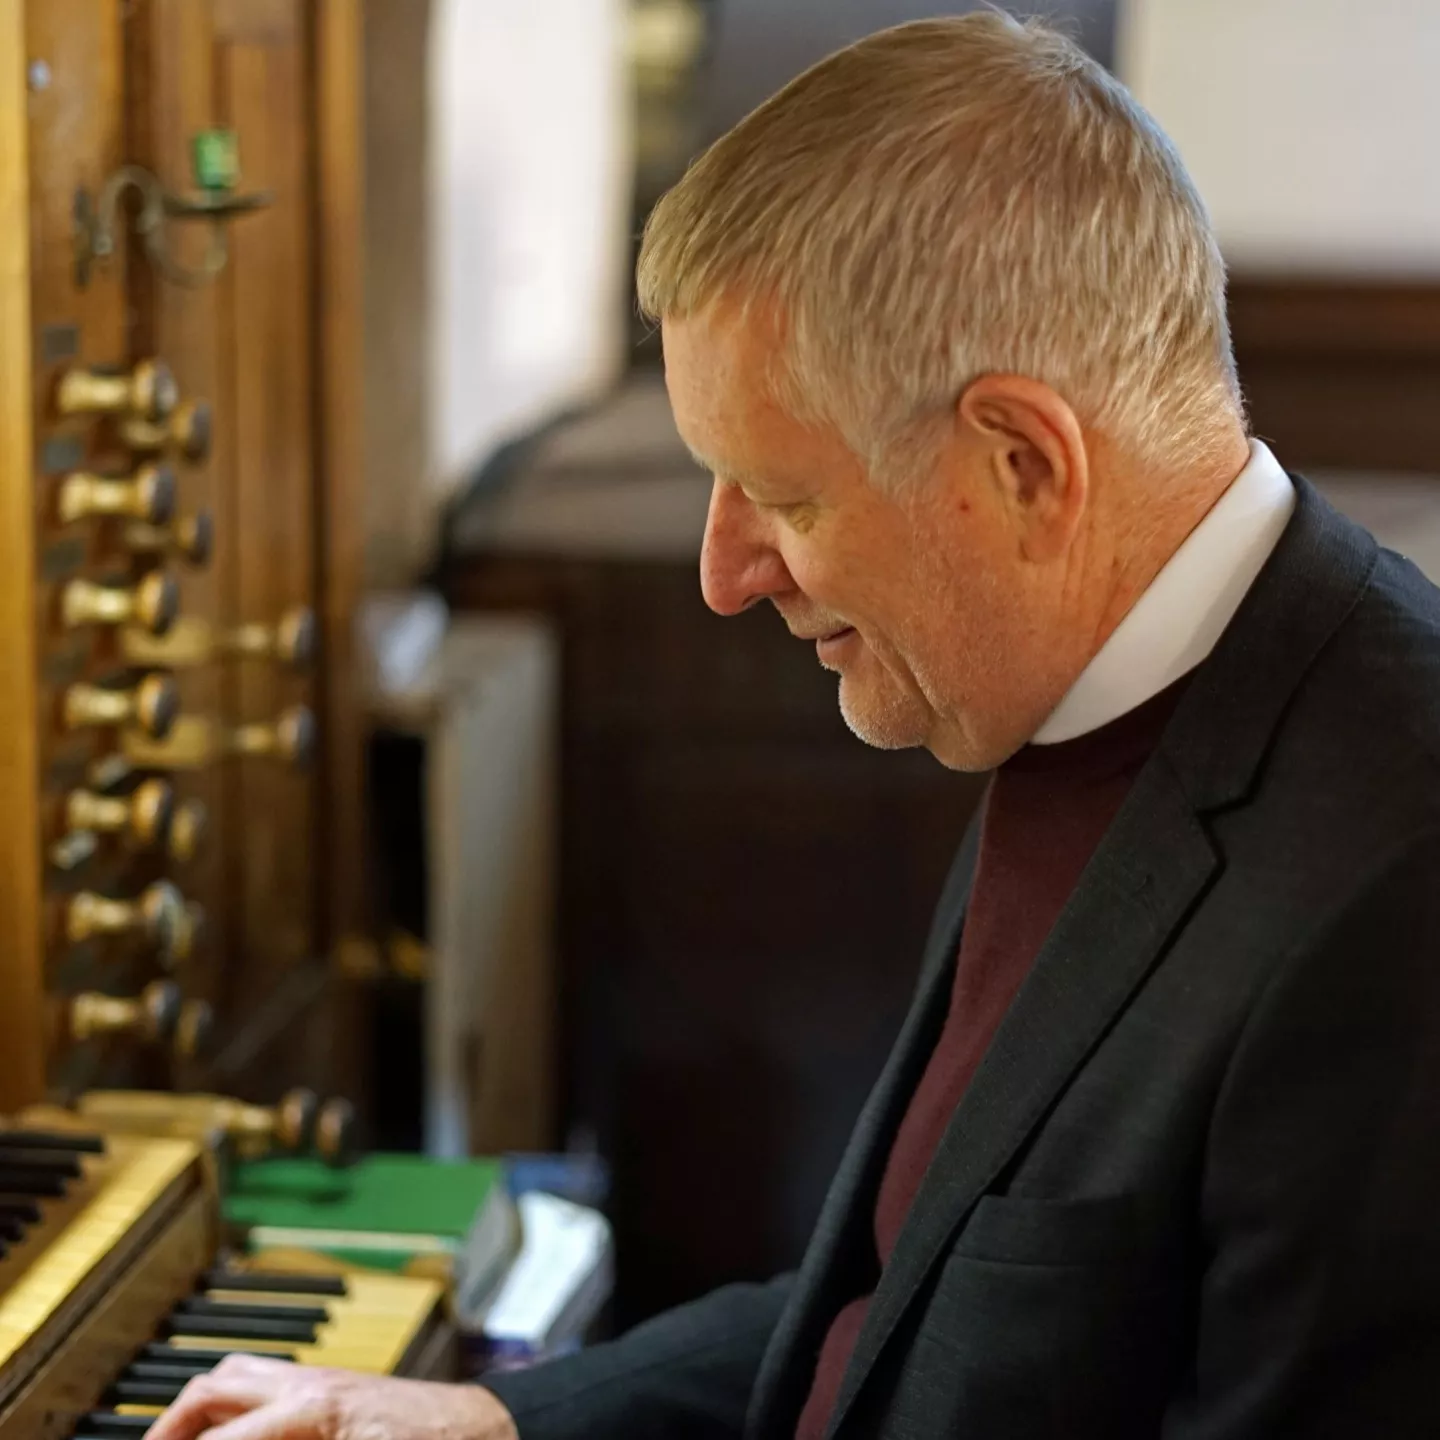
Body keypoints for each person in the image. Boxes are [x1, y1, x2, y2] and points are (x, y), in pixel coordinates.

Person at [147, 12, 1440, 1440]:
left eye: (785, 494)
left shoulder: (1397, 879)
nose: (722, 572)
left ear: (1020, 462)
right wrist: (491, 1423)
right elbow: (914, 1319)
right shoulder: (1091, 690)